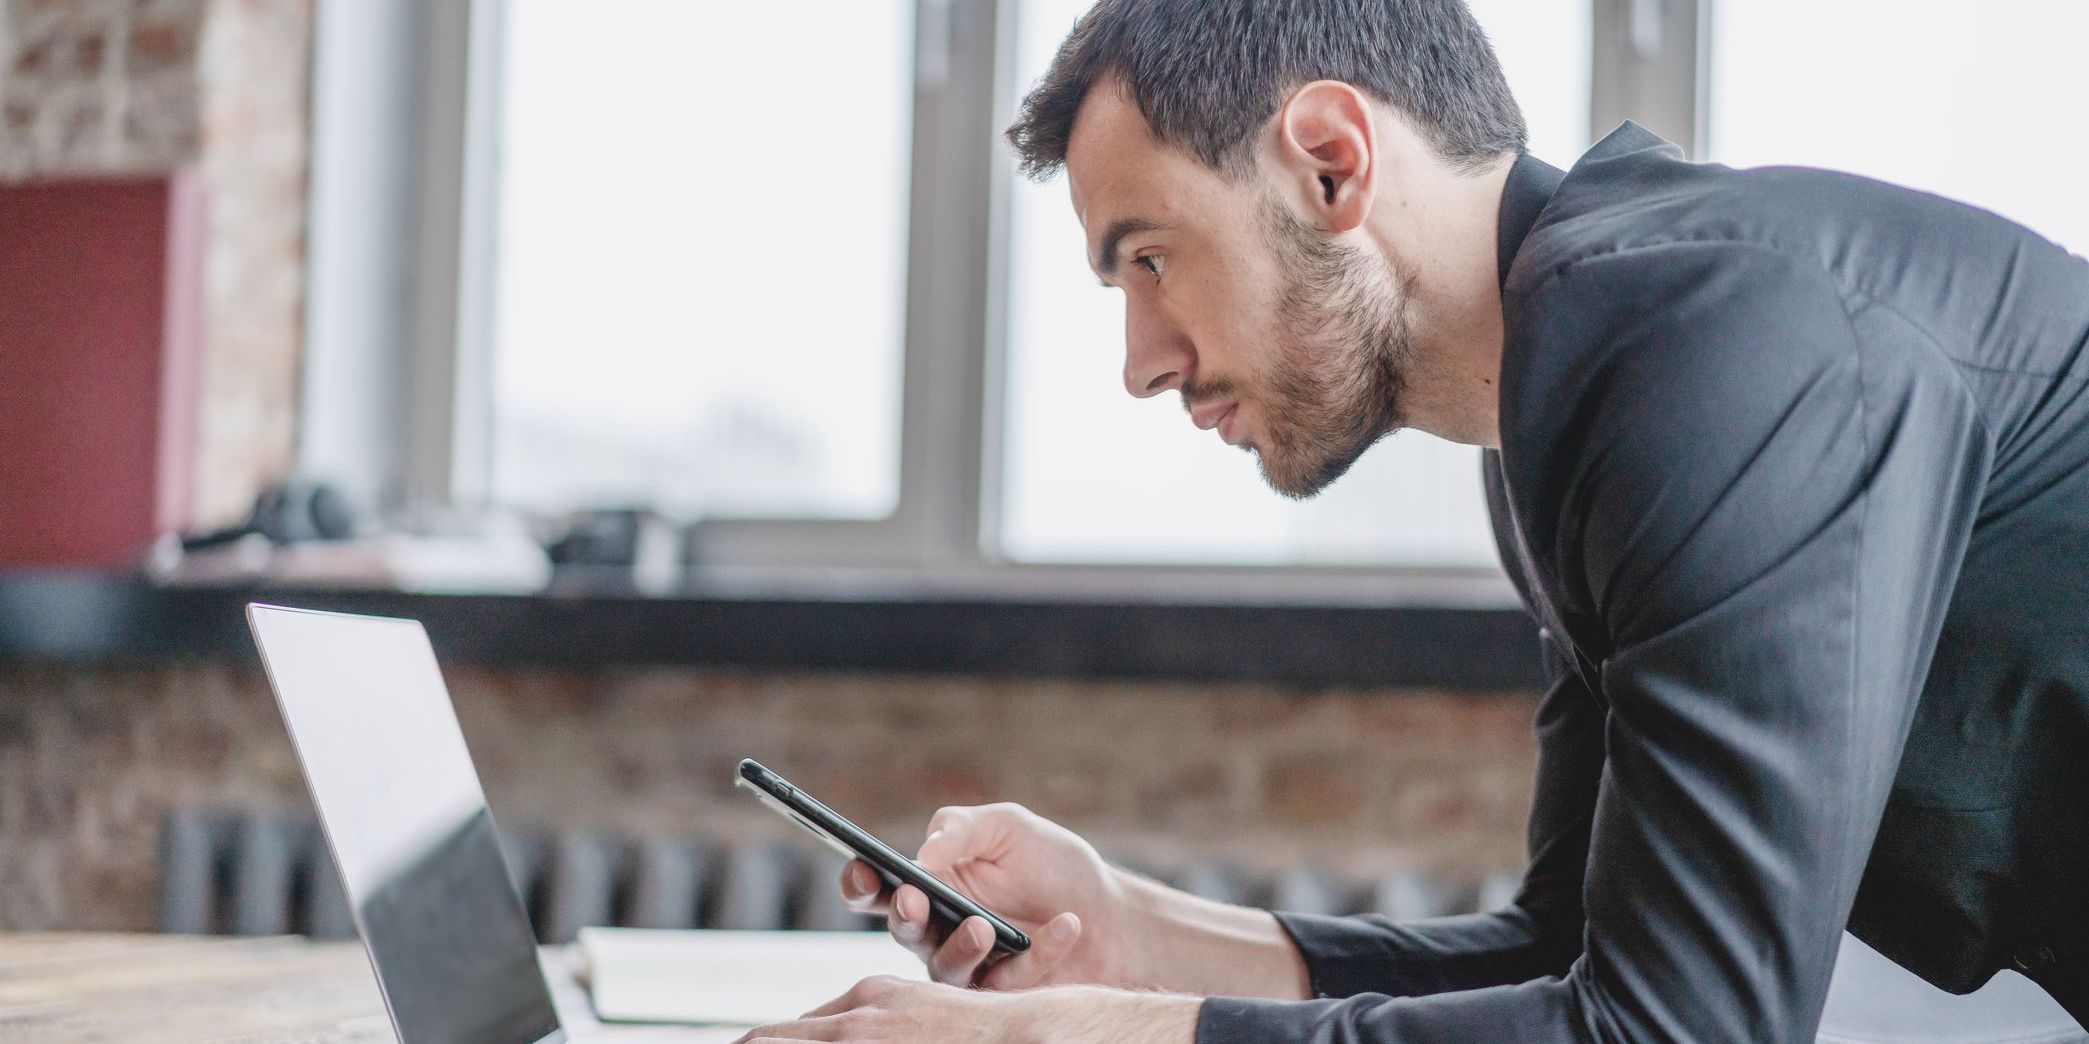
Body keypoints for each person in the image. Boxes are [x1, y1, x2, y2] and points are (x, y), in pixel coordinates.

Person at [732, 0, 2089, 1040]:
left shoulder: (1706, 349)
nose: (1141, 358)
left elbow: (1676, 1031)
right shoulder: (1570, 408)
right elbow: (1569, 958)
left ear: (1330, 161)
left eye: (1148, 258)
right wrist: (1137, 939)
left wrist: (1085, 1038)